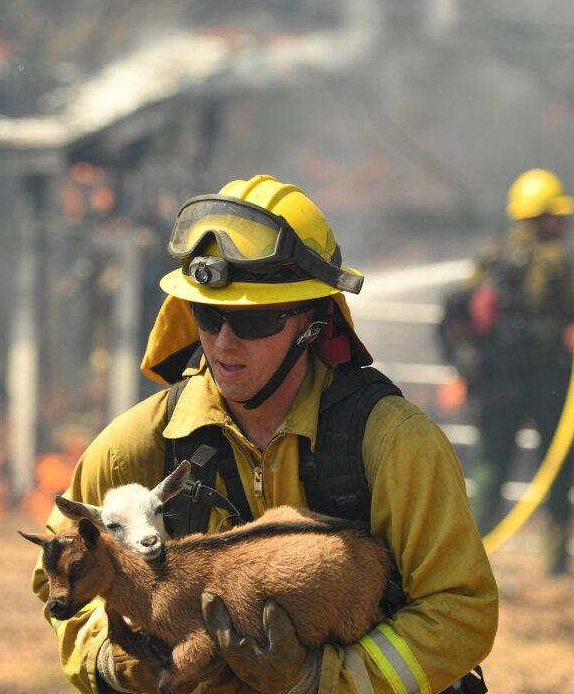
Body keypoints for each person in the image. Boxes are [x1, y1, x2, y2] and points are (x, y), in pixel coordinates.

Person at [32, 174, 498, 694]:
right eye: (209, 317)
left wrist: (321, 681)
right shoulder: (140, 442)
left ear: (314, 322)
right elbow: (53, 573)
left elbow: (460, 610)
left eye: (254, 321)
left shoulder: (393, 443)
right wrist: (125, 661)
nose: (225, 342)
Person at [462, 168, 574, 576]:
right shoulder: (556, 257)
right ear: (541, 216)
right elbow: (572, 311)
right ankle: (558, 558)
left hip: (499, 381)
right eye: (558, 216)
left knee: (491, 466)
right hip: (547, 378)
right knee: (557, 464)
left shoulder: (493, 254)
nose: (563, 224)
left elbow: (471, 305)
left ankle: (472, 557)